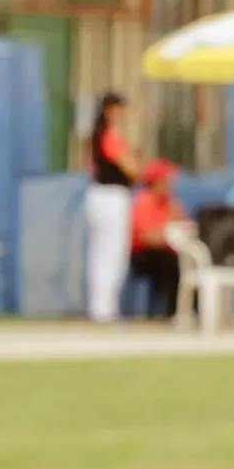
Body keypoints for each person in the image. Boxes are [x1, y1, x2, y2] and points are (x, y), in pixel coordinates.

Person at [85, 92, 144, 323]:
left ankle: (101, 306)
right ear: (109, 110)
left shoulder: (100, 135)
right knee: (111, 252)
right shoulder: (109, 136)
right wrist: (136, 158)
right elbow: (133, 170)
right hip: (111, 197)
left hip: (101, 196)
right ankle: (103, 307)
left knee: (101, 252)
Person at [129, 158, 188, 321]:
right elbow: (148, 238)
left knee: (184, 262)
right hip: (144, 255)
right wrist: (168, 228)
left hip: (167, 252)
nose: (171, 183)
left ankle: (186, 311)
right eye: (167, 179)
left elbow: (184, 229)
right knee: (168, 262)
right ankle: (166, 312)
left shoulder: (171, 202)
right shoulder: (143, 202)